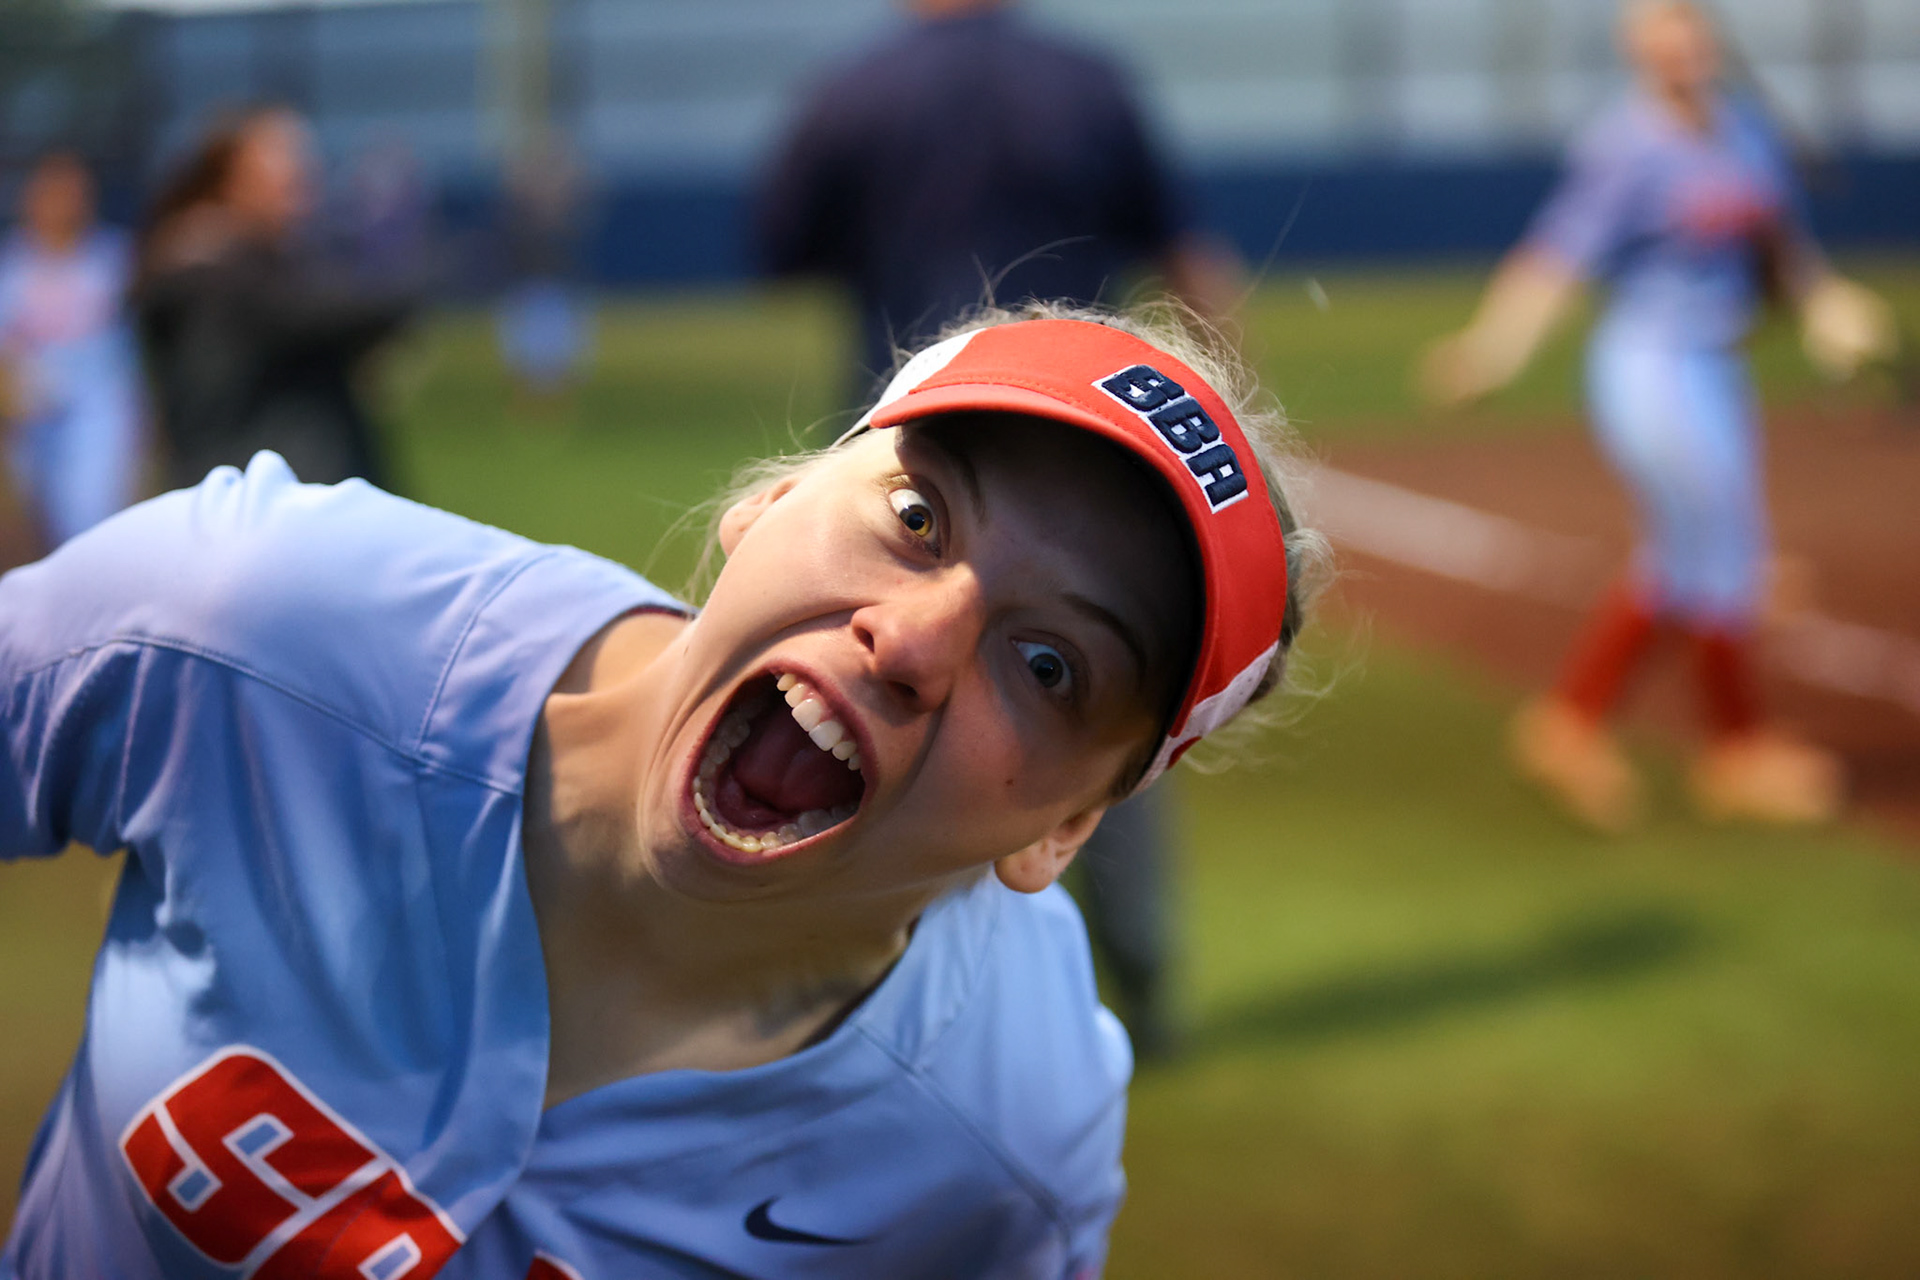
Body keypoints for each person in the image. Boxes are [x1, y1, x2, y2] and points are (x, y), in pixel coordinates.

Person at [1, 302, 1327, 1278]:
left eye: (1049, 666)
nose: (914, 643)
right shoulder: (258, 627)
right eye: (919, 517)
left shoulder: (1000, 1142)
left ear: (1068, 830)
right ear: (776, 499)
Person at [757, 0, 1241, 1054]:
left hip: (905, 455)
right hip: (1090, 472)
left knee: (859, 712)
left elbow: (779, 245)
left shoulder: (855, 89)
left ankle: (858, 1006)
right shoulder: (1086, 76)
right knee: (1085, 710)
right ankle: (1144, 992)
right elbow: (1185, 251)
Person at [1420, 0, 1896, 831]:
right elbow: (1554, 259)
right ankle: (1734, 748)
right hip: (1648, 365)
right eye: (1658, 33)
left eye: (1688, 28)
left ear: (1708, 38)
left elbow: (1780, 248)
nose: (1677, 47)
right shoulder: (1624, 146)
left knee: (1701, 551)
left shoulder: (1745, 129)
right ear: (1636, 47)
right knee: (1718, 544)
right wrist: (1493, 347)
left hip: (1721, 368)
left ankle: (1573, 721)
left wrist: (1825, 309)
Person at [134, 106, 413, 493]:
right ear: (232, 178)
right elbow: (348, 307)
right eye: (286, 162)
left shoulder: (275, 261)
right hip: (255, 501)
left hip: (290, 496)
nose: (304, 173)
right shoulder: (211, 266)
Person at [0, 151, 144, 553]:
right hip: (36, 422)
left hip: (100, 416)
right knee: (47, 525)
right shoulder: (13, 265)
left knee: (91, 519)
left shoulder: (112, 258)